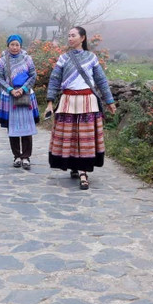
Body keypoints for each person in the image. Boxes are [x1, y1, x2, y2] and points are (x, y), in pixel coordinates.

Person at [44, 26, 117, 190]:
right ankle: (74, 166)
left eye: (73, 35)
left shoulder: (91, 58)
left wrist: (110, 102)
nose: (70, 38)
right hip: (68, 101)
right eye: (68, 36)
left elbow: (101, 81)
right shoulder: (63, 58)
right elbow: (55, 80)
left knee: (85, 138)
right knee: (69, 136)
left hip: (87, 102)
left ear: (82, 38)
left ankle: (83, 172)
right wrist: (50, 101)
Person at [0, 34, 40, 169]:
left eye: (17, 45)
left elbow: (33, 75)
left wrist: (23, 89)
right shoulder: (2, 61)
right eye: (12, 45)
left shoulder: (27, 59)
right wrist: (10, 89)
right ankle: (17, 156)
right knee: (12, 126)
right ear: (8, 45)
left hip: (25, 95)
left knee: (26, 126)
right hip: (9, 96)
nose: (14, 47)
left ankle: (26, 156)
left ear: (21, 46)